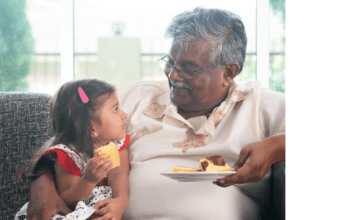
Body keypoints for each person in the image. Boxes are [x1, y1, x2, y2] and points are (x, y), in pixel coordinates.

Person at [26, 7, 285, 220]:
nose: (173, 75)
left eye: (188, 68)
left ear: (228, 73)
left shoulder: (260, 105)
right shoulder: (136, 99)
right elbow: (66, 138)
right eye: (170, 62)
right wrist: (42, 187)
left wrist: (276, 146)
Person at [15, 79, 131, 220]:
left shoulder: (117, 146)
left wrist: (121, 201)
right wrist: (89, 179)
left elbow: (119, 175)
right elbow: (68, 199)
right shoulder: (68, 154)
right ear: (91, 128)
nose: (124, 114)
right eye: (115, 109)